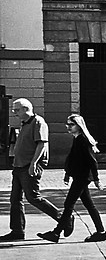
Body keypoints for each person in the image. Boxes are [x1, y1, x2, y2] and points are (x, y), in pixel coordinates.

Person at [36, 113, 106, 244]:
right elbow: (73, 159)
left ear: (79, 126)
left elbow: (92, 161)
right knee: (89, 205)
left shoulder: (83, 140)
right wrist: (68, 174)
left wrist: (97, 179)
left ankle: (56, 233)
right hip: (79, 176)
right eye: (67, 124)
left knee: (69, 204)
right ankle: (101, 232)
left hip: (82, 177)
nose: (68, 127)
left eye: (71, 124)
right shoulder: (77, 138)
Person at [5, 99, 59, 241]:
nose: (14, 113)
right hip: (19, 166)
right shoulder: (25, 123)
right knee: (15, 199)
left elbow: (41, 144)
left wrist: (34, 163)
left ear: (25, 109)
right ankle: (17, 231)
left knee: (33, 197)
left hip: (28, 166)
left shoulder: (38, 122)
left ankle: (64, 218)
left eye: (16, 110)